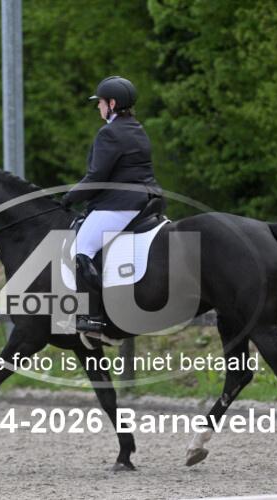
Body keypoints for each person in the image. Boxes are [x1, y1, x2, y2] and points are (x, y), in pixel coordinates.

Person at [61, 75, 162, 333]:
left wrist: (71, 196)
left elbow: (97, 176)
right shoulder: (137, 128)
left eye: (101, 102)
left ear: (112, 104)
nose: (98, 106)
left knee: (81, 249)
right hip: (147, 199)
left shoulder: (109, 133)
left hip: (121, 204)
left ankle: (92, 316)